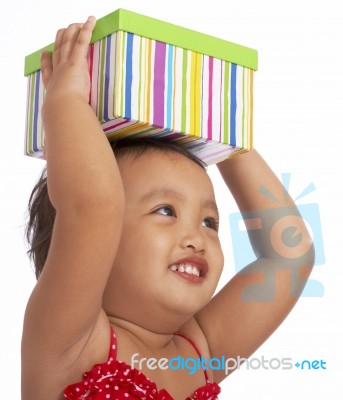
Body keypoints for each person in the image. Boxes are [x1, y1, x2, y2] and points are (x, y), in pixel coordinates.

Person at [21, 16, 315, 400]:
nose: (197, 237)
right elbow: (92, 205)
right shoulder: (70, 341)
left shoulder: (198, 353)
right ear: (93, 240)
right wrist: (64, 102)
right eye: (165, 211)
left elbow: (290, 255)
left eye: (210, 221)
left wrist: (227, 137)